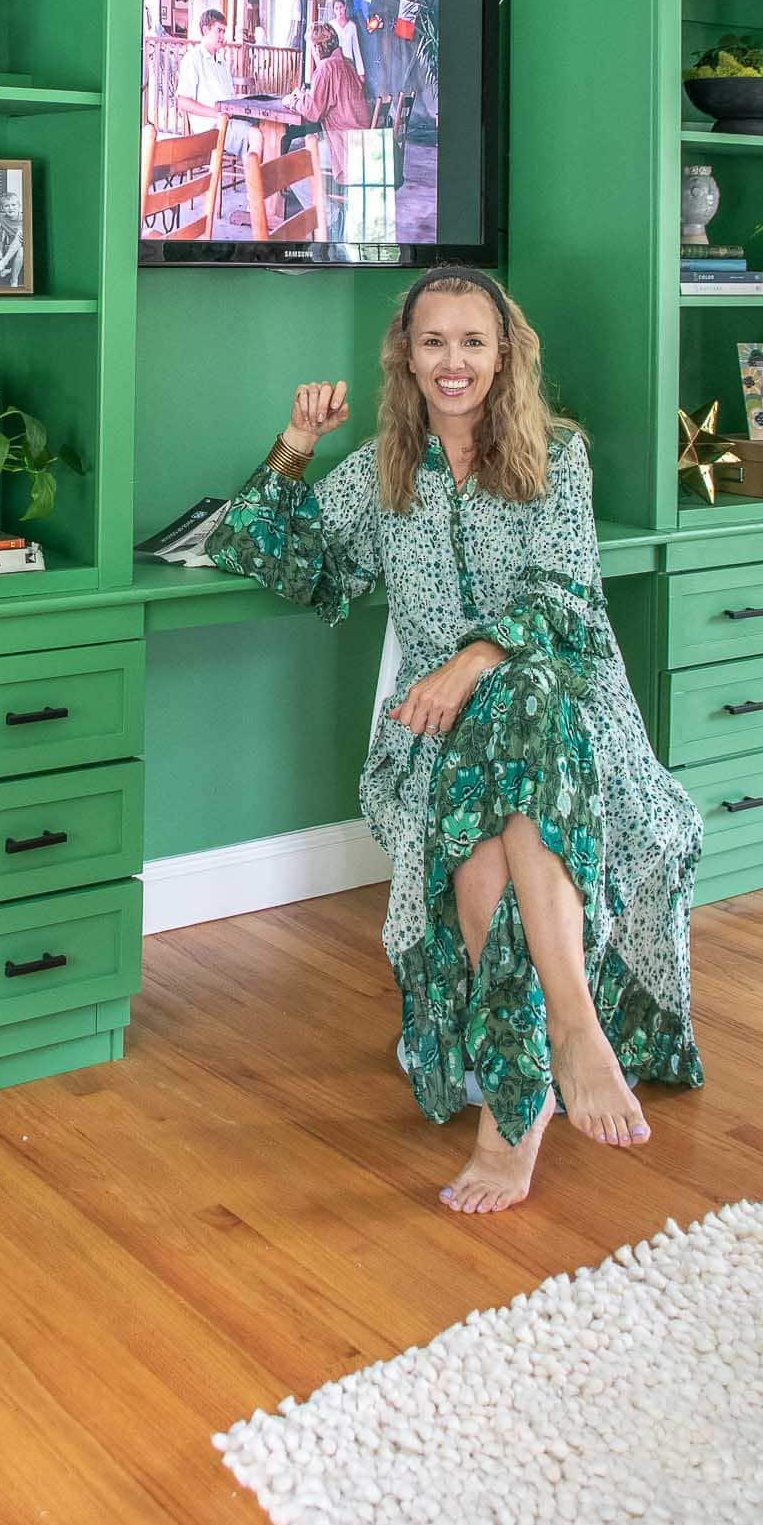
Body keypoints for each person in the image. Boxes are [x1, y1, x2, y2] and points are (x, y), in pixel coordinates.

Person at [206, 267, 705, 1216]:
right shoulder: (384, 468)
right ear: (406, 356)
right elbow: (263, 552)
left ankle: (513, 1113)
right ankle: (567, 1031)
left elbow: (566, 600)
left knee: (517, 703)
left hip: (570, 712)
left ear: (504, 353)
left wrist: (469, 663)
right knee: (484, 766)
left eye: (473, 342)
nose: (453, 361)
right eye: (433, 342)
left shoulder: (559, 454)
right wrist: (298, 443)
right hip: (434, 736)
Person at [280, 21, 372, 237]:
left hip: (346, 149)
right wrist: (303, 97)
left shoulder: (326, 67)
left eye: (312, 46)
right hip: (362, 146)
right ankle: (327, 208)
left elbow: (312, 112)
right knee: (297, 145)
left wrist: (292, 100)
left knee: (289, 166)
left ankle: (330, 216)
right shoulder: (346, 63)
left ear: (317, 47)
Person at [174, 7, 249, 156]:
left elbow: (228, 98)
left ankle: (257, 177)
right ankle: (255, 177)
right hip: (210, 128)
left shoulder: (222, 62)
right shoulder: (193, 59)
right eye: (219, 31)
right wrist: (216, 114)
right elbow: (182, 102)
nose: (222, 36)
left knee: (266, 131)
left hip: (227, 122)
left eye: (223, 32)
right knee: (255, 136)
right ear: (205, 30)